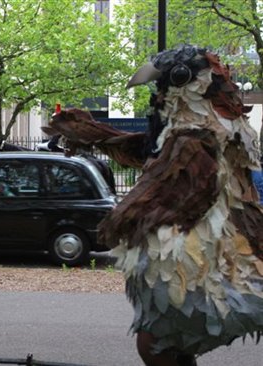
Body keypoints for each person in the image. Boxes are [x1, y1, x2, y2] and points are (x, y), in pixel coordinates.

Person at [46, 45, 263, 366]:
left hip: (216, 261)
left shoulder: (197, 136)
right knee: (165, 339)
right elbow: (149, 150)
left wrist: (127, 214)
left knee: (155, 342)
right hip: (214, 254)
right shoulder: (194, 130)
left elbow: (179, 179)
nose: (158, 96)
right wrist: (95, 135)